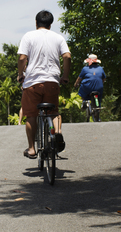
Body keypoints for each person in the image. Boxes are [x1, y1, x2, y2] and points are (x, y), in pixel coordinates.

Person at [17, 10, 71, 159]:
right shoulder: (58, 38)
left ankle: (32, 149)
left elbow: (22, 58)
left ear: (36, 23)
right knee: (54, 112)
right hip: (52, 82)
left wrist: (21, 74)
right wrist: (65, 76)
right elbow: (67, 56)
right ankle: (58, 133)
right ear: (50, 24)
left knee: (31, 115)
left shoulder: (28, 36)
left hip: (33, 83)